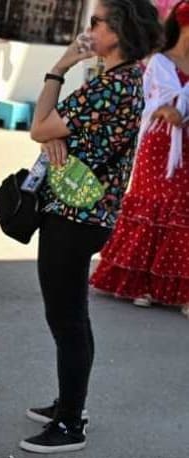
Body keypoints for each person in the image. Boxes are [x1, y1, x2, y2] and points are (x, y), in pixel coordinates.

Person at [22, 1, 160, 454]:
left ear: (119, 30)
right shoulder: (123, 81)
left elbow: (38, 126)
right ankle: (68, 404)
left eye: (97, 21)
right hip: (87, 213)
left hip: (76, 215)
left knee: (67, 318)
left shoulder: (113, 86)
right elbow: (54, 131)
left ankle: (70, 423)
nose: (89, 28)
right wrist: (58, 133)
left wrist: (60, 66)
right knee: (69, 316)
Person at [91, 0, 189, 315]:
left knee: (182, 208)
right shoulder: (160, 61)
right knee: (153, 203)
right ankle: (141, 284)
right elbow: (146, 99)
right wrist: (164, 109)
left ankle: (178, 288)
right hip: (159, 143)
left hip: (186, 144)